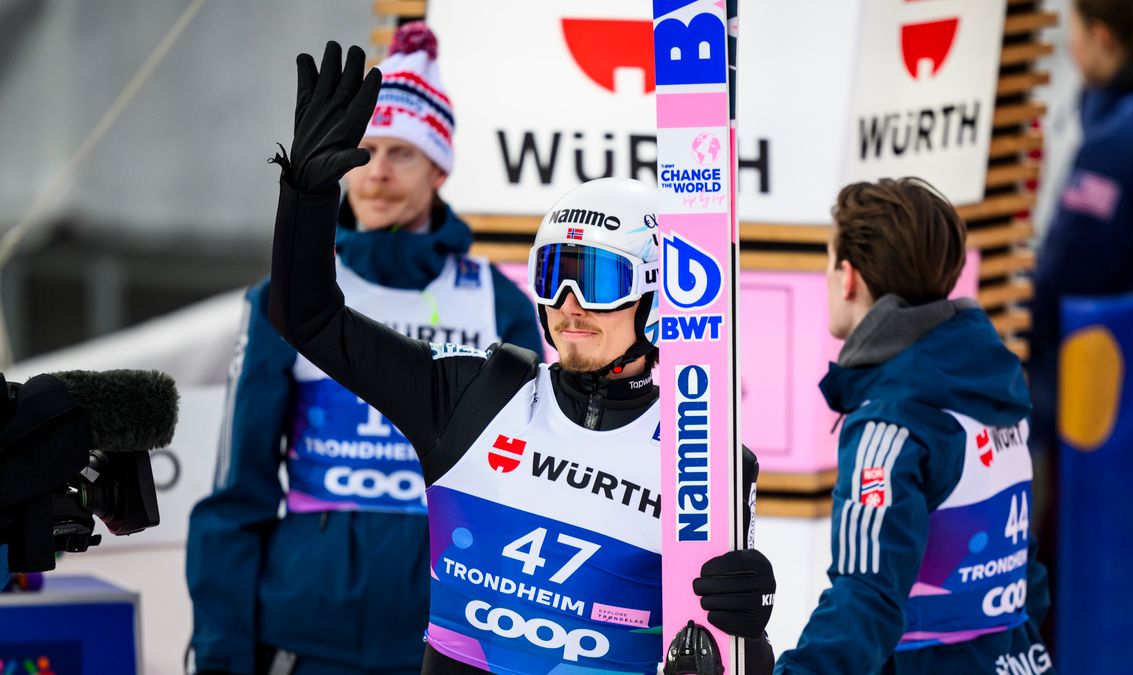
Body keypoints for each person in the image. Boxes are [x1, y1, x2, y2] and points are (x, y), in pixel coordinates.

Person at [266, 41, 776, 674]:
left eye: (600, 280)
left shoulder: (703, 459)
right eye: (555, 274)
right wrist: (308, 194)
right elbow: (307, 317)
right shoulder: (473, 398)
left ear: (656, 295)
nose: (570, 304)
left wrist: (749, 632)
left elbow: (727, 660)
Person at [186, 25, 544, 675]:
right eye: (365, 150)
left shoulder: (499, 301)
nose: (375, 172)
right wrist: (221, 654)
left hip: (447, 641)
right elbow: (237, 494)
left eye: (402, 153)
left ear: (439, 167)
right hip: (311, 635)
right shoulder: (291, 298)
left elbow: (530, 489)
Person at [774, 179, 1054, 675]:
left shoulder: (891, 420)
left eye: (827, 260)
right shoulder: (995, 388)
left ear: (848, 278)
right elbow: (1023, 569)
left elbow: (864, 597)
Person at [1028, 0, 1133, 644]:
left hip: (1101, 407)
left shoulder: (1121, 147)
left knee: (1072, 578)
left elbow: (1061, 284)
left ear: (1100, 36)